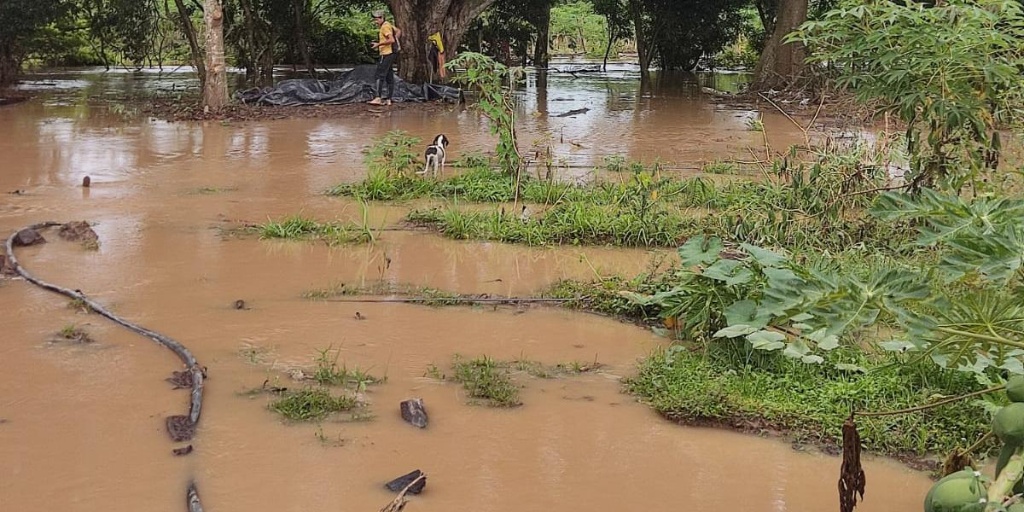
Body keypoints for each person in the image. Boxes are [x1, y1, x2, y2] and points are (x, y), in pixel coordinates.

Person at [369, 10, 398, 106]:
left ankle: (378, 98)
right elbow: (398, 31)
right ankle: (389, 99)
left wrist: (378, 44)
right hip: (391, 53)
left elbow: (391, 40)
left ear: (382, 18)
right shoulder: (388, 25)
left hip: (386, 54)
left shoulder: (385, 27)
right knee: (389, 76)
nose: (375, 22)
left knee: (379, 75)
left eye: (377, 19)